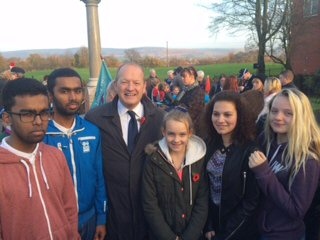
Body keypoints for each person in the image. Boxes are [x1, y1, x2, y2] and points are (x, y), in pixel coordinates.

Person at [85, 62, 165, 240]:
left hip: (150, 217)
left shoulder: (161, 120)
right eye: (124, 82)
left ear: (144, 86)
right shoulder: (95, 118)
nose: (130, 88)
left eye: (136, 83)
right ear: (115, 85)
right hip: (112, 218)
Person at [0, 78, 80, 239]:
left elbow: (69, 209)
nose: (38, 121)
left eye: (44, 113)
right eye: (27, 114)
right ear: (7, 118)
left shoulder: (56, 156)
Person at [43, 68, 108, 240]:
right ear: (50, 95)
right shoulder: (41, 135)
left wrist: (101, 218)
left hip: (90, 219)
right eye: (64, 91)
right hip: (56, 223)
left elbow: (99, 177)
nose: (73, 97)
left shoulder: (91, 131)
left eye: (77, 91)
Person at [249, 89, 320, 240]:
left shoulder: (307, 160)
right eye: (274, 111)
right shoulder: (265, 141)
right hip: (257, 228)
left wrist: (264, 172)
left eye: (288, 113)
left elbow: (296, 210)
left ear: (301, 117)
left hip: (284, 234)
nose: (278, 117)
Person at [201, 90, 262, 240]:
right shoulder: (209, 144)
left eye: (227, 115)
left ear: (239, 116)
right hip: (212, 228)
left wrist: (225, 235)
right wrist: (208, 224)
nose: (220, 120)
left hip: (238, 231)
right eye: (216, 114)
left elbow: (251, 202)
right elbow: (204, 189)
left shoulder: (250, 151)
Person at [142, 108, 208, 240]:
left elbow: (202, 202)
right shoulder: (153, 159)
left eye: (182, 134)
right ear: (163, 132)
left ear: (189, 133)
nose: (176, 139)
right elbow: (150, 204)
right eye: (171, 134)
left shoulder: (199, 160)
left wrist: (189, 236)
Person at [176, 66, 205, 134]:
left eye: (184, 76)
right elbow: (176, 102)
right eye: (181, 76)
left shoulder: (198, 92)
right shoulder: (184, 90)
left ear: (192, 76)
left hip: (192, 128)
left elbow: (192, 112)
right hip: (181, 123)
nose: (182, 78)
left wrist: (179, 108)